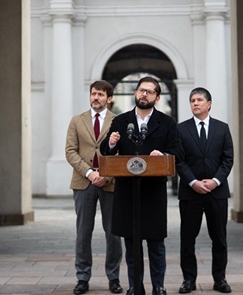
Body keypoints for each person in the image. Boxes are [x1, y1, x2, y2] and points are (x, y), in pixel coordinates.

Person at [100, 76, 183, 295]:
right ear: (135, 93)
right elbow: (106, 152)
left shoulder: (167, 123)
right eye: (140, 90)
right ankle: (135, 286)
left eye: (149, 91)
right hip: (127, 191)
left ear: (157, 97)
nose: (143, 94)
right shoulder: (121, 121)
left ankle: (159, 286)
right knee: (131, 242)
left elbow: (178, 152)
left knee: (156, 243)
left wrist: (163, 155)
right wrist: (111, 143)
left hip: (153, 192)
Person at [66, 80, 123, 294]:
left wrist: (106, 176)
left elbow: (121, 152)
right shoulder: (76, 121)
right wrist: (90, 173)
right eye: (93, 94)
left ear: (109, 98)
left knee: (113, 233)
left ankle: (114, 277)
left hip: (110, 184)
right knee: (83, 233)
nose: (95, 98)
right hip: (83, 183)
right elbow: (70, 151)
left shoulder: (118, 121)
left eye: (100, 94)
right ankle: (82, 278)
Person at [176, 88, 234, 294]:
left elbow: (228, 159)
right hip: (190, 193)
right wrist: (193, 182)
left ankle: (220, 279)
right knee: (187, 238)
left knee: (219, 238)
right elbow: (179, 160)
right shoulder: (181, 129)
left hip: (216, 193)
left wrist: (215, 181)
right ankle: (188, 280)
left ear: (209, 104)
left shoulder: (222, 128)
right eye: (192, 100)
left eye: (200, 100)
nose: (195, 103)